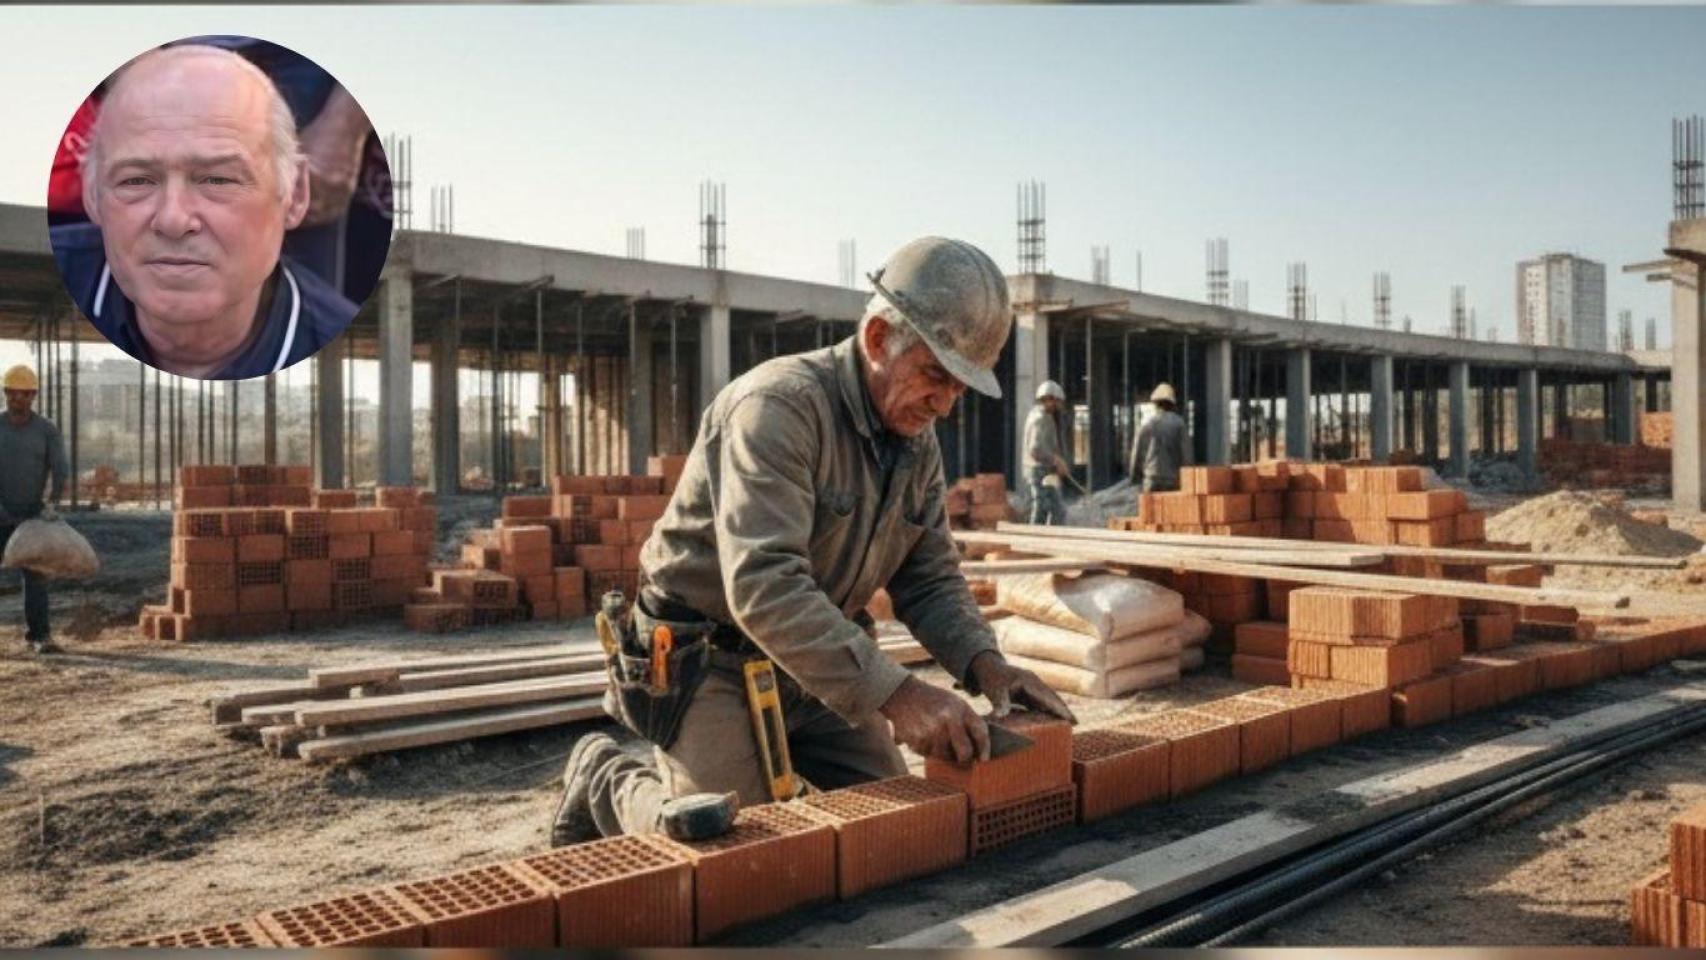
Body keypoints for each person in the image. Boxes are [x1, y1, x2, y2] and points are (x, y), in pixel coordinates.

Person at [550, 237, 1076, 845]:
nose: (947, 404)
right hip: (702, 658)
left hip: (818, 656)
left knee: (899, 828)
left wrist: (987, 665)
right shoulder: (777, 409)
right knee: (728, 844)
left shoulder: (915, 441)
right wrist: (898, 693)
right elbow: (763, 584)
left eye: (961, 387)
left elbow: (928, 576)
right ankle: (607, 776)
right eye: (937, 375)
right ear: (879, 339)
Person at [49, 44, 357, 380]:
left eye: (217, 179)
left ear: (295, 196)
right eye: (136, 180)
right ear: (92, 194)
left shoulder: (330, 338)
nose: (173, 220)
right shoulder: (47, 280)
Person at [0, 365, 69, 654]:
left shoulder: (46, 430)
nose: (19, 400)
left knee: (36, 578)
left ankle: (39, 636)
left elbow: (60, 468)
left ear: (33, 396)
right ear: (5, 394)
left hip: (32, 515)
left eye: (25, 394)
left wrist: (51, 503)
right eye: (13, 394)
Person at [1128, 382, 1190, 492]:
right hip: (1173, 480)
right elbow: (1187, 455)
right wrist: (1188, 479)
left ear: (1155, 404)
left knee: (1151, 509)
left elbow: (1136, 454)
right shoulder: (1179, 424)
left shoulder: (1146, 425)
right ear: (1172, 404)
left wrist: (1134, 478)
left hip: (1151, 479)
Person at [1024, 380, 1071, 525]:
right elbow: (1035, 449)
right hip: (1038, 471)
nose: (1058, 406)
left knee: (1057, 510)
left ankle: (1052, 541)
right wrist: (1056, 460)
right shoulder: (1040, 419)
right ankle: (1034, 542)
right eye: (1057, 402)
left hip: (1046, 470)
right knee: (1041, 509)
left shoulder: (1043, 416)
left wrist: (1057, 461)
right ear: (1049, 399)